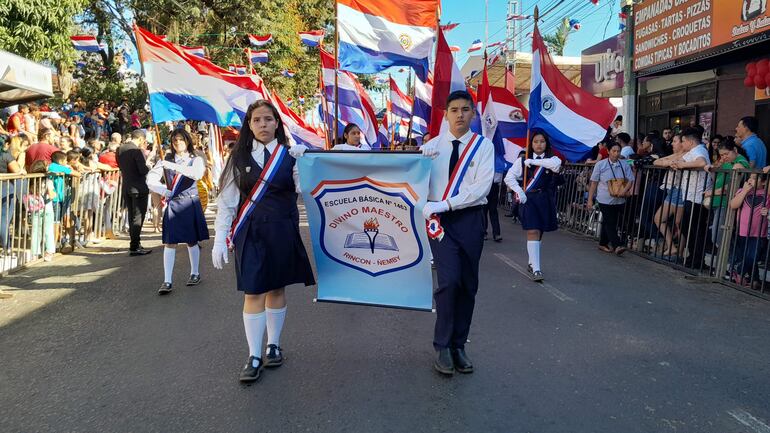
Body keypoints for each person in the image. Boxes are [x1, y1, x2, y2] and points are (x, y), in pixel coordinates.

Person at [211, 100, 315, 383]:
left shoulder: (289, 155)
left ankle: (273, 345)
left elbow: (304, 188)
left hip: (282, 230)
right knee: (254, 292)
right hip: (251, 233)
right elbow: (228, 202)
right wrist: (220, 238)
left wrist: (306, 162)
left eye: (268, 119)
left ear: (277, 123)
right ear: (249, 125)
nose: (263, 125)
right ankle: (254, 354)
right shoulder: (239, 157)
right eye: (257, 120)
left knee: (277, 290)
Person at [420, 90, 494, 376]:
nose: (460, 114)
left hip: (470, 219)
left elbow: (481, 188)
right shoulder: (433, 147)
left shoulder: (482, 146)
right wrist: (418, 162)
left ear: (472, 114)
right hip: (441, 224)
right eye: (454, 110)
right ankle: (442, 345)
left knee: (467, 285)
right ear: (446, 114)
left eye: (465, 109)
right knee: (448, 282)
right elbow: (412, 182)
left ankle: (459, 345)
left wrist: (447, 202)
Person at [147, 129, 209, 294]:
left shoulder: (195, 160)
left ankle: (195, 273)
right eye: (175, 140)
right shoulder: (165, 160)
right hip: (174, 203)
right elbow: (150, 179)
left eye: (181, 140)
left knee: (191, 240)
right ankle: (167, 281)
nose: (178, 143)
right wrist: (163, 190)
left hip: (189, 202)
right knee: (170, 242)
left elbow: (196, 174)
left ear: (187, 141)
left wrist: (172, 166)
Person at [504, 130, 562, 282]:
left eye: (542, 141)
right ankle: (536, 269)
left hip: (545, 200)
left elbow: (555, 166)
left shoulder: (552, 159)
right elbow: (509, 177)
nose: (539, 144)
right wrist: (519, 191)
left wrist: (534, 162)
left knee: (540, 232)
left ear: (546, 143)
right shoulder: (523, 159)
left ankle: (531, 262)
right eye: (535, 141)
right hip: (529, 199)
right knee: (533, 230)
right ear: (531, 143)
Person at [672, 127, 711, 269]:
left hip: (698, 196)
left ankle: (697, 259)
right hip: (690, 194)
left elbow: (701, 163)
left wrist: (683, 165)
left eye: (683, 141)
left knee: (695, 229)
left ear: (690, 141)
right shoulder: (692, 151)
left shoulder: (700, 150)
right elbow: (679, 160)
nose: (682, 144)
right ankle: (693, 256)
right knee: (687, 226)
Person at [586, 141, 635, 255]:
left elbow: (631, 179)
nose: (616, 153)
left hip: (619, 198)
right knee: (610, 222)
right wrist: (590, 199)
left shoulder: (624, 164)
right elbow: (594, 183)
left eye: (618, 151)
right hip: (604, 198)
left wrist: (624, 190)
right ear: (608, 151)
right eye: (614, 151)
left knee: (609, 222)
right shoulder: (601, 164)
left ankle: (603, 243)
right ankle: (617, 245)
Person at [117, 130, 152, 256]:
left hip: (127, 186)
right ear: (141, 139)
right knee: (138, 218)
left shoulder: (120, 149)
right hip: (138, 188)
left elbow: (120, 165)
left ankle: (135, 244)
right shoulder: (137, 151)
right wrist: (149, 166)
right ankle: (134, 246)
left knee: (132, 217)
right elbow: (142, 170)